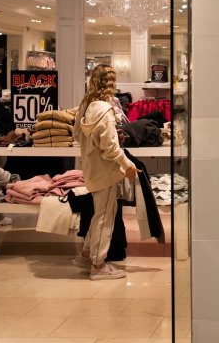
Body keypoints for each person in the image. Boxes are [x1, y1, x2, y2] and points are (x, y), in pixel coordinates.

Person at [72, 64, 137, 280]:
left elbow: (76, 134)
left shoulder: (85, 106)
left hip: (90, 168)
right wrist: (127, 165)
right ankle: (98, 265)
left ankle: (86, 254)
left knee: (99, 213)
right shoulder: (106, 110)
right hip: (106, 171)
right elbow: (110, 147)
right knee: (105, 216)